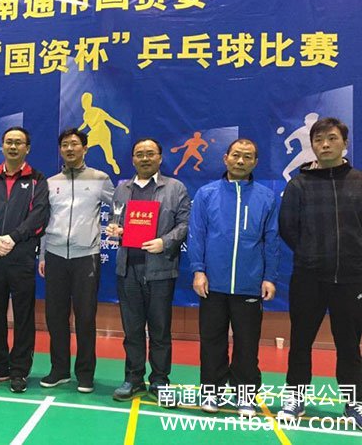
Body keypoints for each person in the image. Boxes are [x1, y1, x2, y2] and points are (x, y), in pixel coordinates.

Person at [279, 117, 362, 428]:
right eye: (319, 140)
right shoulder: (298, 185)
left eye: (332, 138)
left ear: (345, 143)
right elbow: (288, 228)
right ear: (312, 145)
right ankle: (295, 397)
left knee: (349, 345)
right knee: (300, 341)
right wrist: (311, 254)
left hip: (351, 279)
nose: (325, 145)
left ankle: (354, 402)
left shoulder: (359, 182)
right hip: (308, 278)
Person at [188, 138, 279, 416]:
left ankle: (245, 394)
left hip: (249, 284)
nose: (241, 161)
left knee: (247, 343)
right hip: (212, 283)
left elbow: (271, 239)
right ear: (225, 158)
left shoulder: (266, 197)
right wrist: (198, 270)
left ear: (255, 162)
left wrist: (269, 277)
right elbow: (196, 234)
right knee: (212, 340)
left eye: (247, 157)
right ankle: (211, 391)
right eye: (236, 155)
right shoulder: (206, 194)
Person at [105, 138, 190, 404]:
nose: (145, 158)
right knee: (132, 329)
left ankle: (160, 380)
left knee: (160, 330)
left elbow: (185, 223)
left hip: (160, 270)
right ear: (133, 159)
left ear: (160, 158)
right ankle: (133, 378)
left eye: (150, 153)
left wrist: (165, 241)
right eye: (139, 154)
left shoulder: (175, 188)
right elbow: (118, 222)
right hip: (128, 268)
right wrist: (116, 230)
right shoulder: (122, 189)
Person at [38, 128, 114, 393]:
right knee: (55, 316)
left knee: (85, 317)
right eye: (65, 145)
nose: (69, 149)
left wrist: (116, 225)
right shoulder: (51, 182)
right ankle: (59, 370)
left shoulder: (99, 178)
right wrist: (43, 254)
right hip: (55, 255)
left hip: (86, 257)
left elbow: (119, 206)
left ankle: (85, 374)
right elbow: (45, 219)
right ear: (60, 150)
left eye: (74, 144)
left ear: (85, 148)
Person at [0, 126, 49, 393]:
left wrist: (13, 238)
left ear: (27, 148)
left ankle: (19, 370)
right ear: (3, 146)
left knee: (23, 316)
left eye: (18, 142)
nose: (13, 146)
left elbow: (39, 214)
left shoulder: (37, 179)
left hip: (22, 256)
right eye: (8, 142)